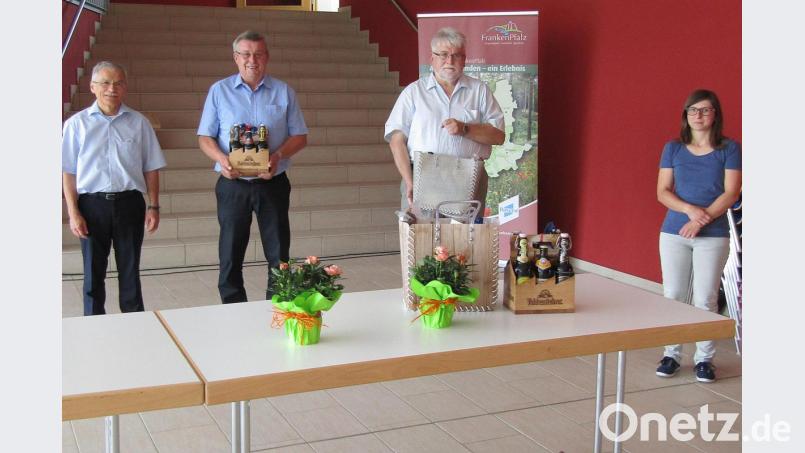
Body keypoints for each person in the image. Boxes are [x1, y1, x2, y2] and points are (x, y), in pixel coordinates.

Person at [198, 30, 308, 303]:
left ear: (267, 57)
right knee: (230, 252)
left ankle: (278, 307)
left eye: (258, 54)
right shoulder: (219, 91)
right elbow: (204, 137)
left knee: (278, 252)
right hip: (232, 184)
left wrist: (278, 156)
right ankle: (233, 307)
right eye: (246, 54)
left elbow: (300, 136)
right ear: (236, 57)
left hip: (273, 183)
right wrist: (221, 159)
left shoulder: (284, 92)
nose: (252, 60)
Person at [62, 61, 166, 316]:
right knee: (93, 273)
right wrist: (73, 212)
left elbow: (151, 167)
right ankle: (93, 324)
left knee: (130, 271)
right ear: (93, 87)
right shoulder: (76, 125)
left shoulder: (139, 123)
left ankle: (133, 324)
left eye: (118, 83)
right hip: (91, 205)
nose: (112, 89)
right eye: (105, 83)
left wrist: (153, 206)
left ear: (125, 88)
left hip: (129, 203)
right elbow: (68, 172)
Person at [655, 89, 742, 383]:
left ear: (715, 114)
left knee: (706, 298)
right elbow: (662, 192)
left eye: (705, 110)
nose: (698, 115)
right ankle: (671, 354)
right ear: (686, 115)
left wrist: (702, 220)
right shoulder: (673, 148)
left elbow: (731, 192)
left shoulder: (729, 149)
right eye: (693, 110)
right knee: (673, 296)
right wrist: (691, 211)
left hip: (713, 234)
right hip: (673, 232)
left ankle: (704, 359)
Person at [385, 27, 505, 213]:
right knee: (422, 232)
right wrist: (409, 182)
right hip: (422, 177)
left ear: (464, 60)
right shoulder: (413, 92)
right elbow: (396, 141)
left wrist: (465, 129)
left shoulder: (480, 91)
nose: (449, 61)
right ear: (432, 58)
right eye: (443, 54)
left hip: (470, 178)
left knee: (468, 233)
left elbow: (498, 136)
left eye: (456, 55)